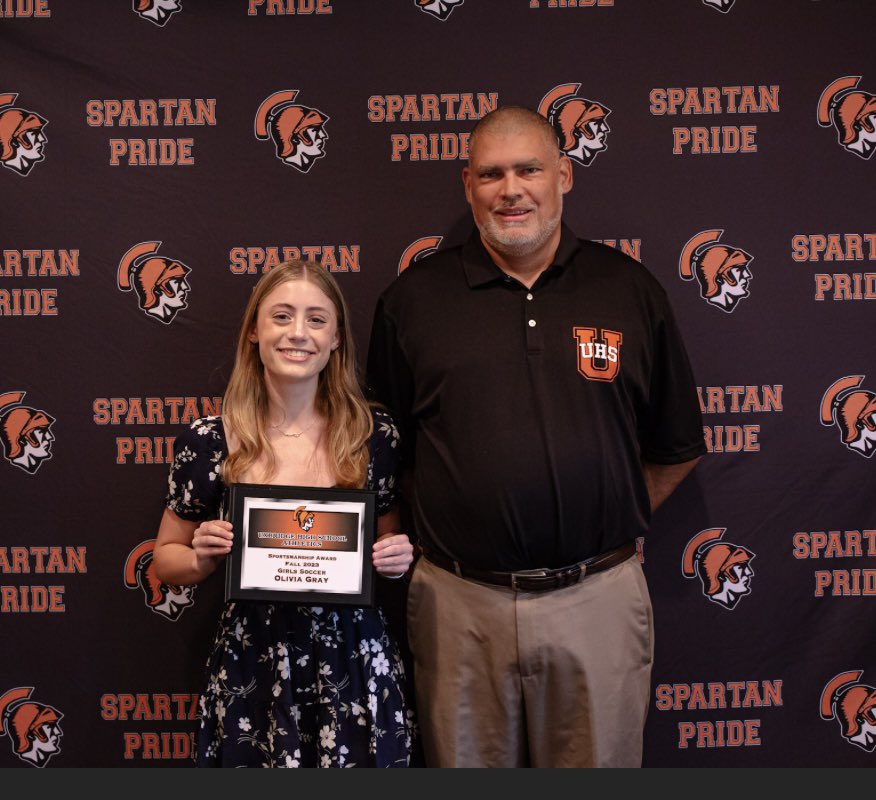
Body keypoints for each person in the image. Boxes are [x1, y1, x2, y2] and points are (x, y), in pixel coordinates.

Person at [367, 106, 705, 768]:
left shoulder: (628, 289)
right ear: (468, 185)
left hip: (597, 600)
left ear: (564, 175)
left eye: (529, 169)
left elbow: (675, 446)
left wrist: (608, 518)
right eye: (491, 173)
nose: (510, 189)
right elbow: (382, 451)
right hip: (458, 605)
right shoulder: (413, 301)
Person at [154, 260, 417, 768]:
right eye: (281, 316)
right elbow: (165, 561)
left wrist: (399, 556)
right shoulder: (209, 441)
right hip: (251, 667)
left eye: (316, 319)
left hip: (355, 665)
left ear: (337, 338)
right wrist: (203, 558)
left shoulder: (373, 436)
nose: (298, 333)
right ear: (254, 331)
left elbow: (390, 546)